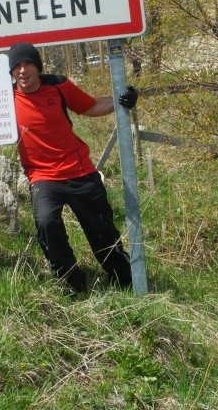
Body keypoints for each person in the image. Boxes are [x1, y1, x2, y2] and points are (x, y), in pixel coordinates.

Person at [7, 42, 139, 294]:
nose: (23, 71)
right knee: (46, 223)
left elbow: (90, 107)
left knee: (102, 231)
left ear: (38, 67)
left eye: (28, 64)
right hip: (42, 176)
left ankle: (126, 279)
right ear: (12, 72)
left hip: (79, 170)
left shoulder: (58, 86)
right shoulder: (6, 98)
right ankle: (72, 283)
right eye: (17, 66)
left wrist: (122, 100)